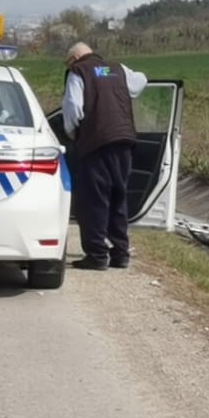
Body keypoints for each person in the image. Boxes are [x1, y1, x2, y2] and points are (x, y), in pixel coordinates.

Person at [61, 42, 146, 270]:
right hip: (124, 141)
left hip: (96, 143)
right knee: (119, 197)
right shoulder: (117, 68)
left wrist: (73, 135)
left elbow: (72, 109)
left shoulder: (78, 72)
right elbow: (141, 80)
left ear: (74, 58)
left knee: (94, 199)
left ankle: (97, 255)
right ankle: (120, 254)